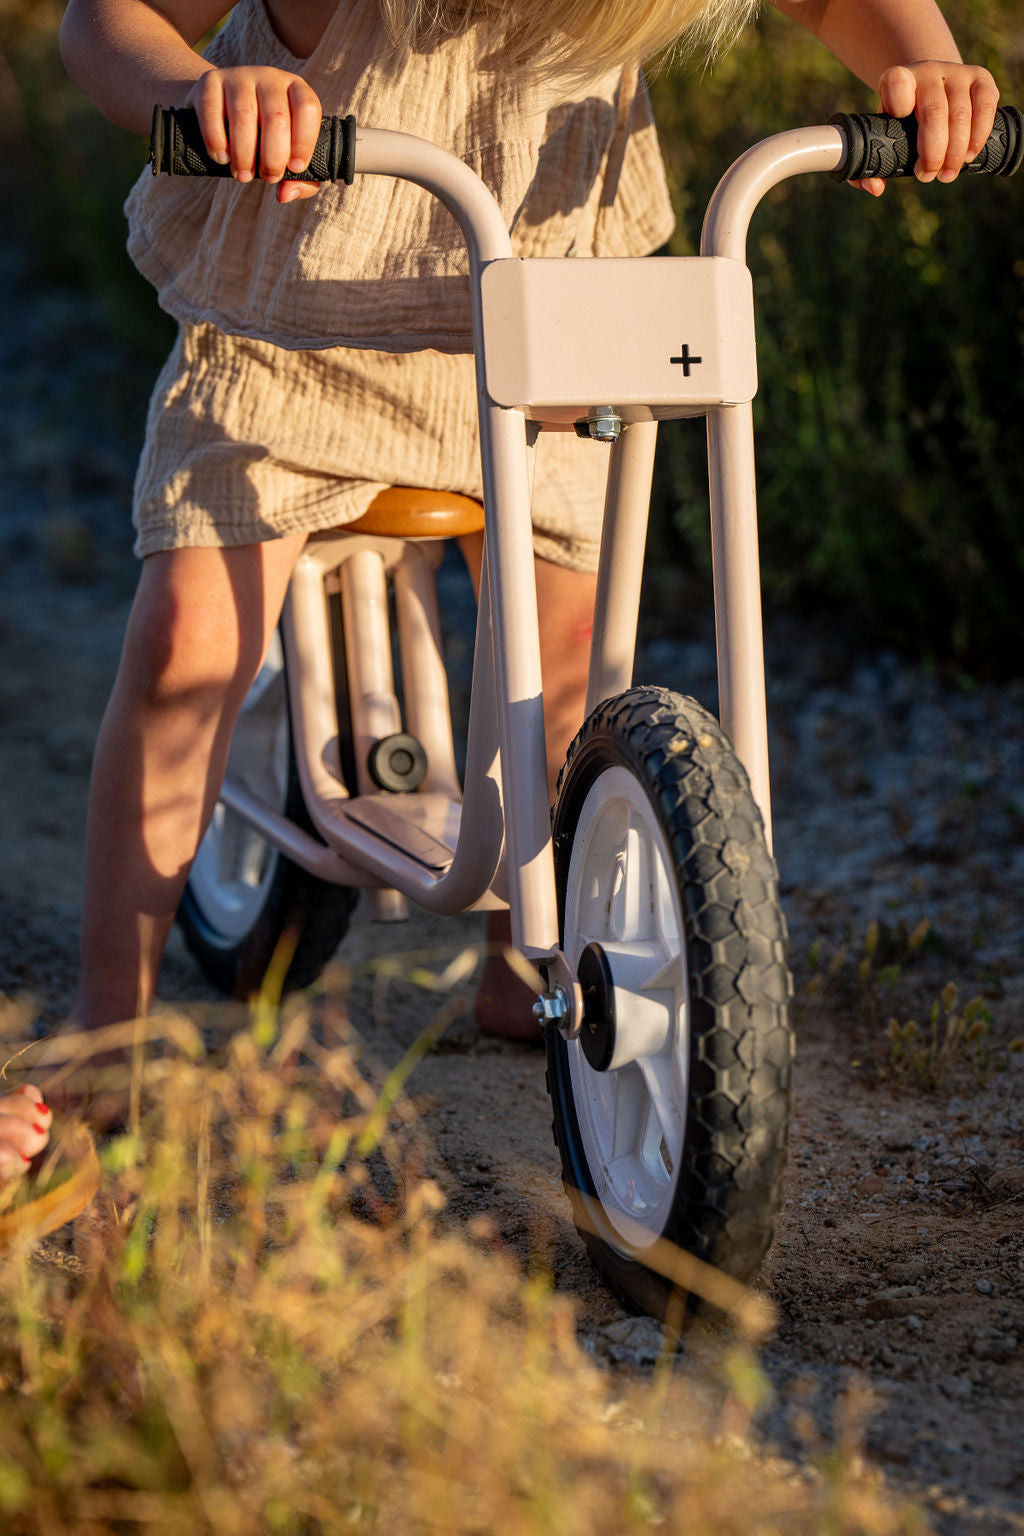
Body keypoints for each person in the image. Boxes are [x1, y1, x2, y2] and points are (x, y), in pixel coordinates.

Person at [57, 0, 998, 1059]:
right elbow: (108, 19)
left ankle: (530, 960)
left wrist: (928, 64)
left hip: (548, 322)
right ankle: (105, 1036)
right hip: (298, 338)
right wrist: (194, 92)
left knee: (563, 662)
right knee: (189, 646)